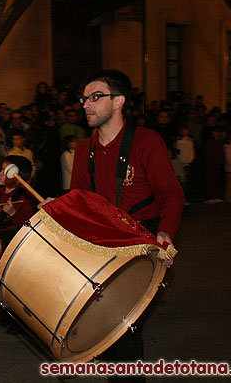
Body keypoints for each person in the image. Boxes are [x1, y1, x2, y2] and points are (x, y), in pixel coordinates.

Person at [44, 69, 184, 382]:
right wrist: (56, 206)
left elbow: (172, 194)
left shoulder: (147, 141)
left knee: (125, 334)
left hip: (137, 246)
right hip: (102, 248)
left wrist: (164, 233)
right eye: (84, 98)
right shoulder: (83, 150)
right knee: (107, 334)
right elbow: (80, 200)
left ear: (119, 101)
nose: (85, 105)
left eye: (95, 97)